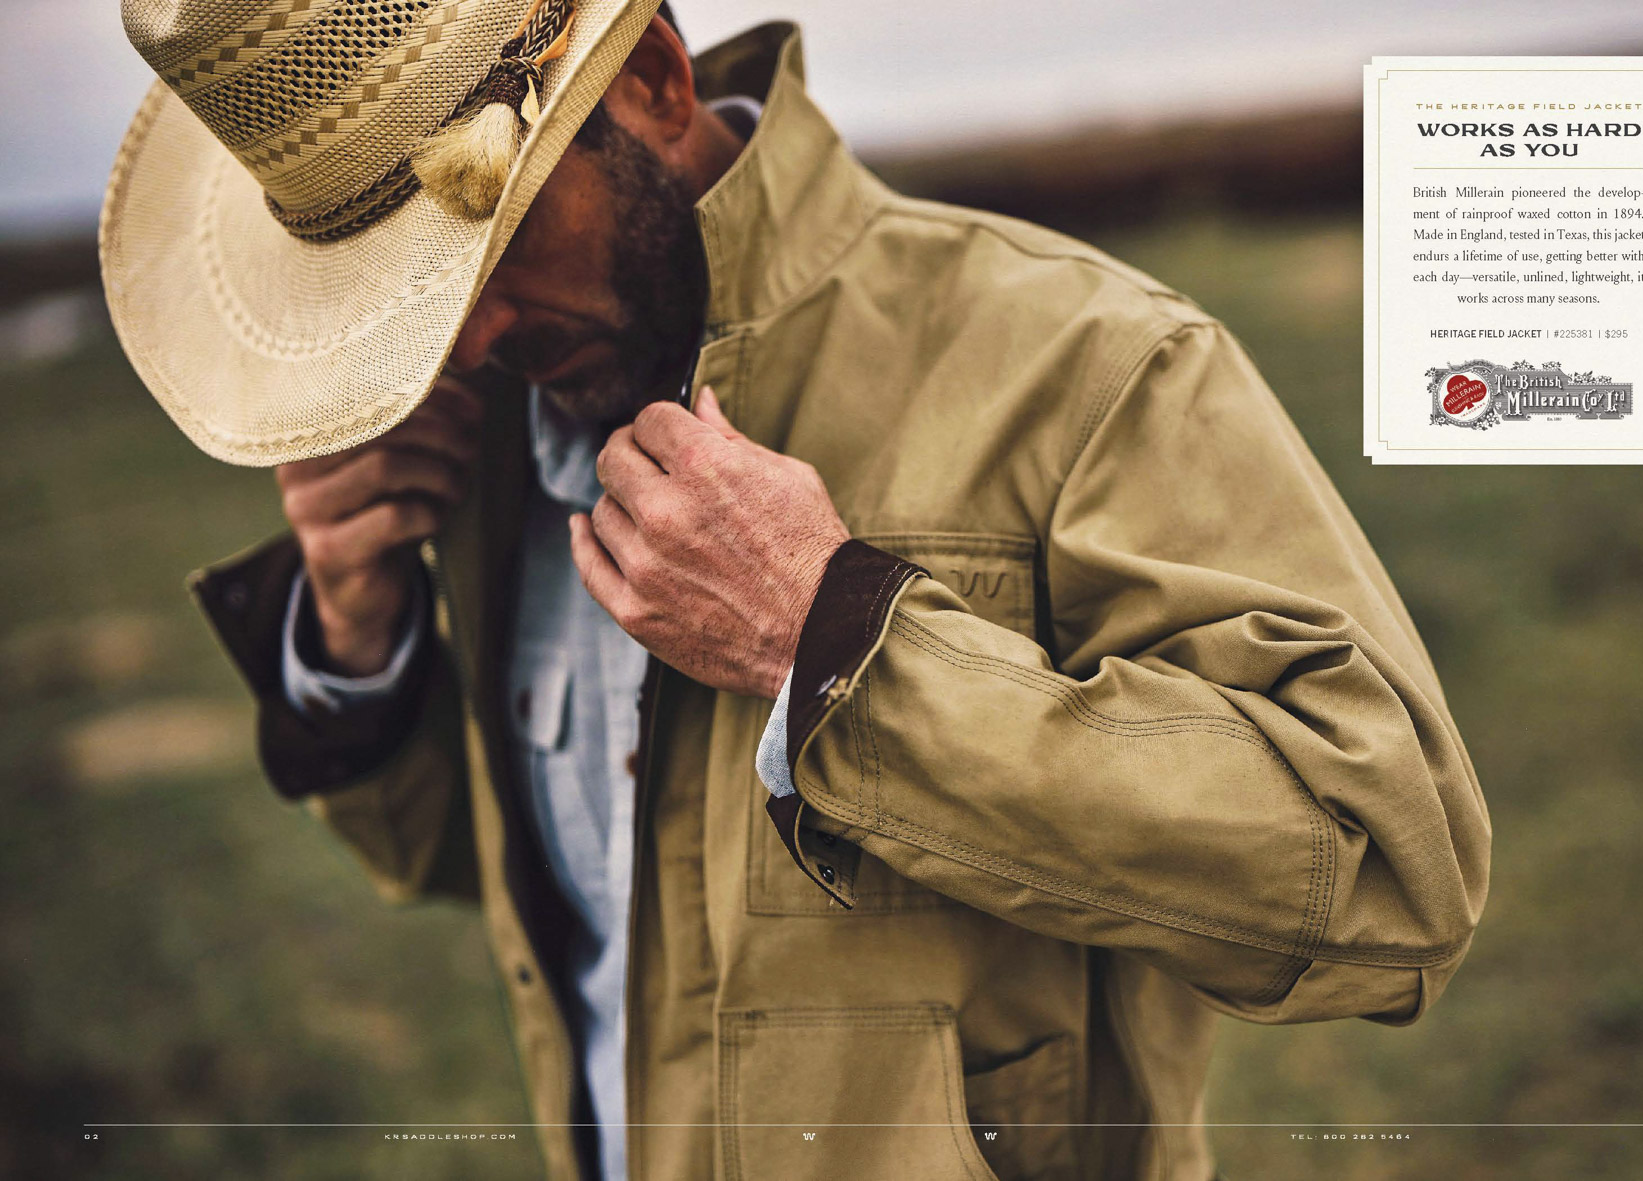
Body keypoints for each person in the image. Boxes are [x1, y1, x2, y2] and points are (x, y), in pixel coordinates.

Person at [101, 2, 1491, 1179]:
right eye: (394, 290)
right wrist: (359, 630)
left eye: (492, 236)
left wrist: (836, 641)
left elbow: (1390, 878)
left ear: (651, 78)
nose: (463, 337)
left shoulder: (1083, 359)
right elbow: (517, 878)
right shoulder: (478, 433)